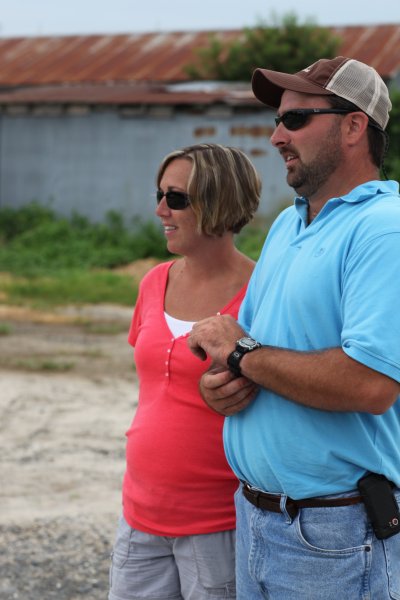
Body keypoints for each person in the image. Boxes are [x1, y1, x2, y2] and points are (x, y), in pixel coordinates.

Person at [188, 57, 400, 599]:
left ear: (354, 127)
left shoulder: (384, 230)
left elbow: (371, 385)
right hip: (258, 515)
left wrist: (241, 355)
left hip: (336, 532)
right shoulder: (288, 222)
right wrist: (223, 389)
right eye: (279, 120)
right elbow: (255, 348)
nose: (277, 135)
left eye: (297, 118)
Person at [108, 143, 261, 600]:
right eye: (159, 195)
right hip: (139, 513)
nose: (160, 210)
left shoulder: (263, 292)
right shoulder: (154, 281)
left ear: (218, 201)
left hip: (217, 522)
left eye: (176, 198)